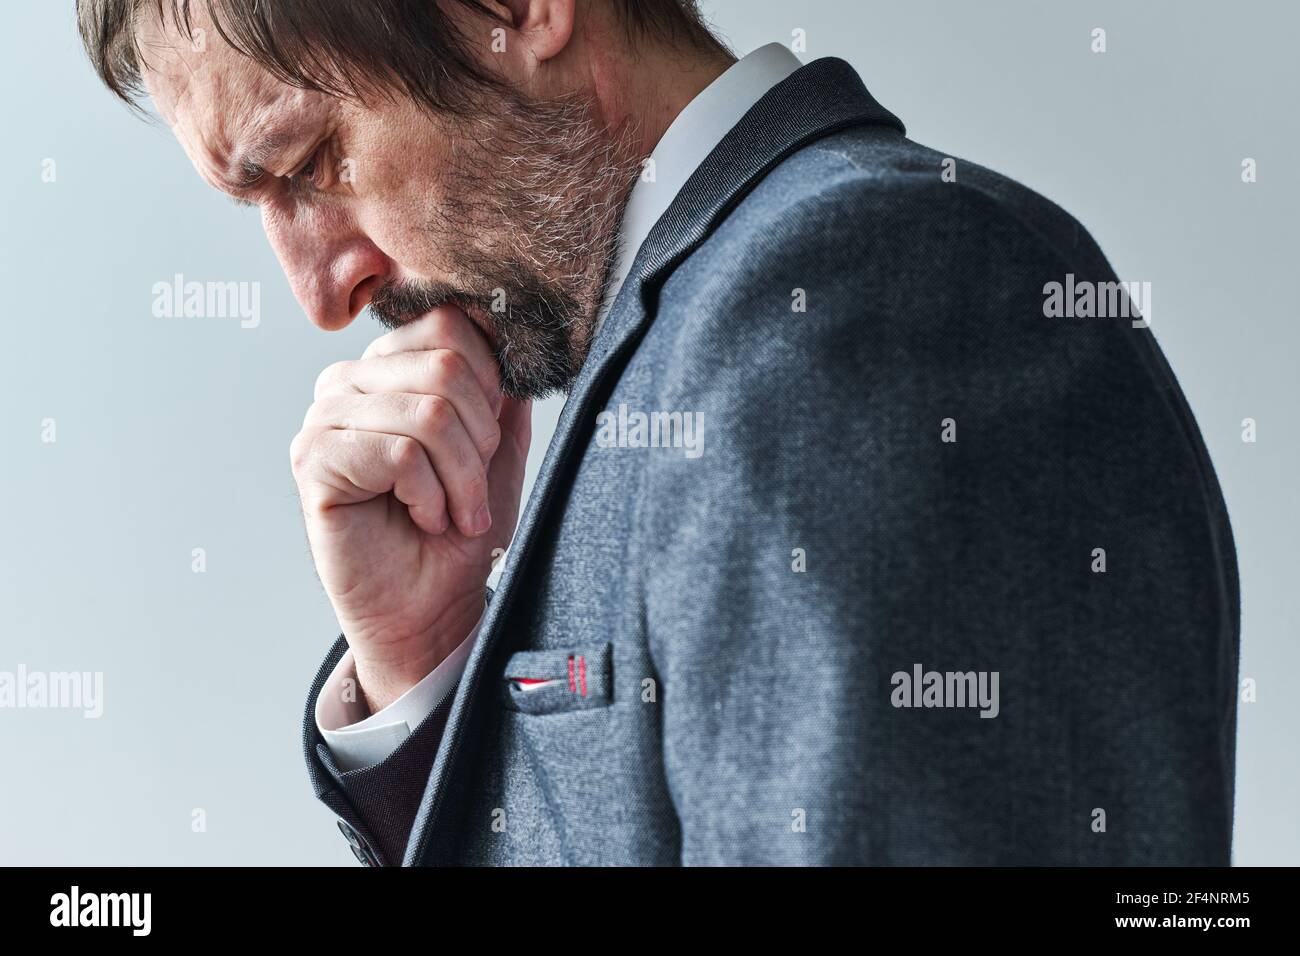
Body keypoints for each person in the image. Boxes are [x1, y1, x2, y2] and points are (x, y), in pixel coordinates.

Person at [77, 0, 1240, 866]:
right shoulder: (716, 326)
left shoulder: (869, 295)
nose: (321, 292)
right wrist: (429, 662)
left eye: (313, 162)